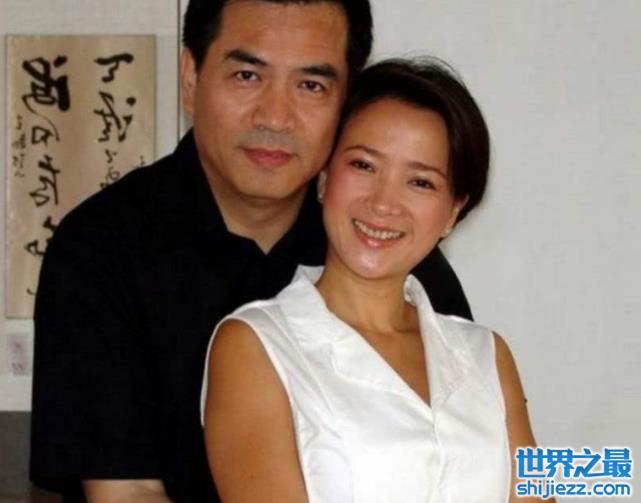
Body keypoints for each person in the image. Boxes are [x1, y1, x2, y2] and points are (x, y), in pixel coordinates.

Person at [30, 2, 473, 503]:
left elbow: (505, 461)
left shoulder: (390, 254)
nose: (276, 117)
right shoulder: (100, 248)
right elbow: (125, 494)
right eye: (247, 75)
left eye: (311, 85)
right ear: (191, 77)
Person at [202, 59, 554, 503]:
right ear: (325, 177)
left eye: (420, 182)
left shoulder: (487, 354)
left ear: (452, 212)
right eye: (364, 165)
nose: (384, 203)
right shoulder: (256, 345)